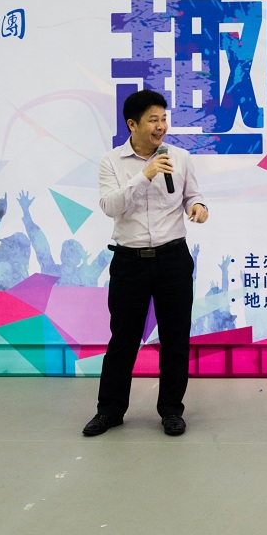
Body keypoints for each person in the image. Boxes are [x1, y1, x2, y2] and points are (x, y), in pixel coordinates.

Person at [82, 89, 209, 437]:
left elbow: (193, 196)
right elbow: (110, 206)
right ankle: (109, 411)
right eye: (153, 120)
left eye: (164, 119)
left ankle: (171, 410)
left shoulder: (180, 157)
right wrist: (145, 175)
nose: (161, 126)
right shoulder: (111, 162)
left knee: (175, 340)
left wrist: (198, 208)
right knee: (123, 340)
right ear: (132, 124)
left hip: (173, 259)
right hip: (130, 262)